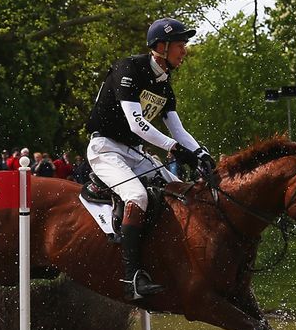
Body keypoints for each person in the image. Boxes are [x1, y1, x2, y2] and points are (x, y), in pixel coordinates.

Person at [84, 17, 214, 300]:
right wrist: (174, 148)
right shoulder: (128, 68)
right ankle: (132, 277)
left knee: (181, 189)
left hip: (134, 153)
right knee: (137, 196)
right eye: (181, 45)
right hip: (105, 149)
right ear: (162, 46)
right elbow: (136, 123)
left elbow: (178, 130)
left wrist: (202, 154)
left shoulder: (165, 85)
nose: (185, 51)